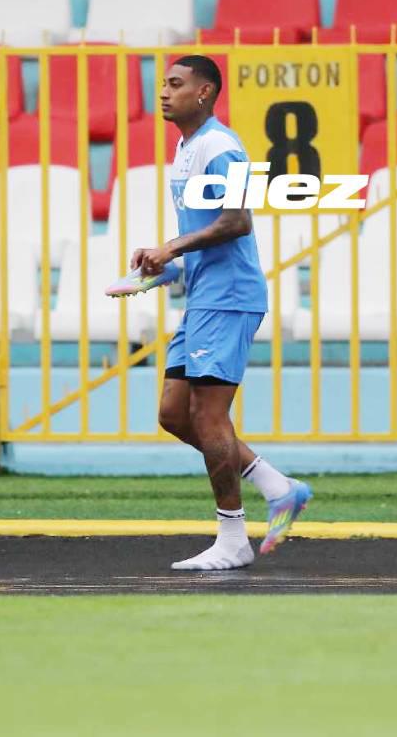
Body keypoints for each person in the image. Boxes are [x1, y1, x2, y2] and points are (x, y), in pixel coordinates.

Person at [131, 55, 312, 572]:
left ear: (205, 93)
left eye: (175, 84)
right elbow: (204, 235)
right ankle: (278, 488)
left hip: (229, 297)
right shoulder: (186, 148)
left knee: (208, 415)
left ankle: (232, 539)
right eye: (162, 84)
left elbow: (238, 221)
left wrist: (172, 246)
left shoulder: (220, 147)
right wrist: (162, 267)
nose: (163, 93)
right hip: (205, 295)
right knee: (173, 414)